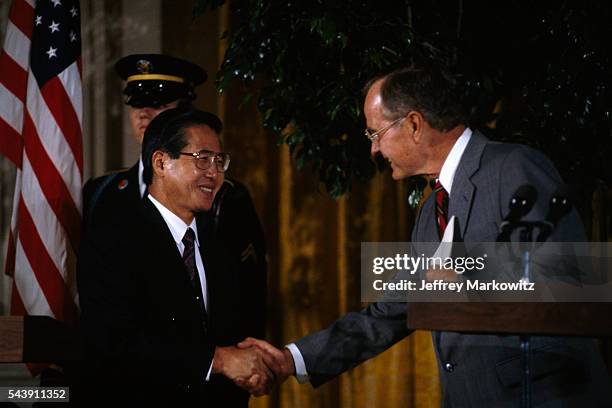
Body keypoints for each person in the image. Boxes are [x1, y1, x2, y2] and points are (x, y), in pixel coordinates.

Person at [237, 60, 612, 406]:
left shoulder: (512, 167)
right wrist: (290, 359)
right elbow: (391, 312)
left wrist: (467, 273)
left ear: (414, 124)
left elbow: (571, 279)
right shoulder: (430, 211)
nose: (373, 149)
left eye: (375, 134)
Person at [81, 54, 267, 405]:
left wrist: (246, 366)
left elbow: (245, 299)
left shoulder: (221, 205)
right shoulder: (104, 198)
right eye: (138, 104)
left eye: (161, 103)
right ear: (161, 162)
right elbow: (113, 329)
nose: (145, 113)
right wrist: (218, 360)